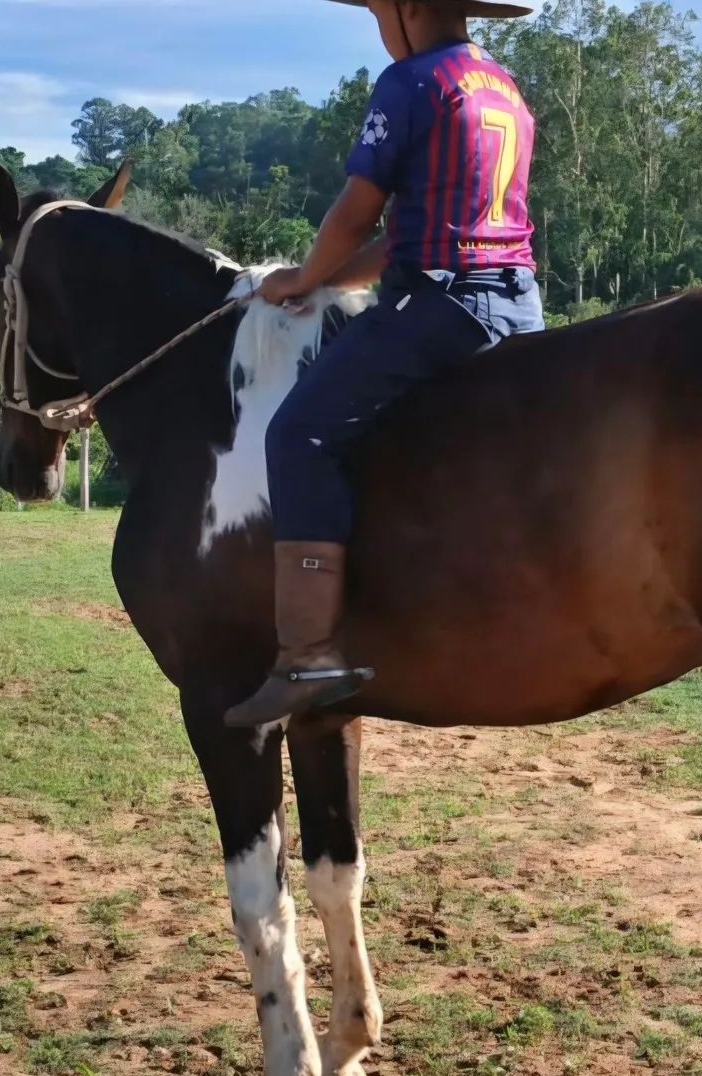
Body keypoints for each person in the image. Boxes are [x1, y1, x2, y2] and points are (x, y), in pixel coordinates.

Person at [226, 0, 542, 728]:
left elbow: (357, 214)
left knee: (299, 434)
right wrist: (328, 282)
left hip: (438, 309)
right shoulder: (504, 86)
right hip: (518, 303)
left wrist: (303, 276)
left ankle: (309, 653)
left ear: (406, 8)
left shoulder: (411, 81)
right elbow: (413, 229)